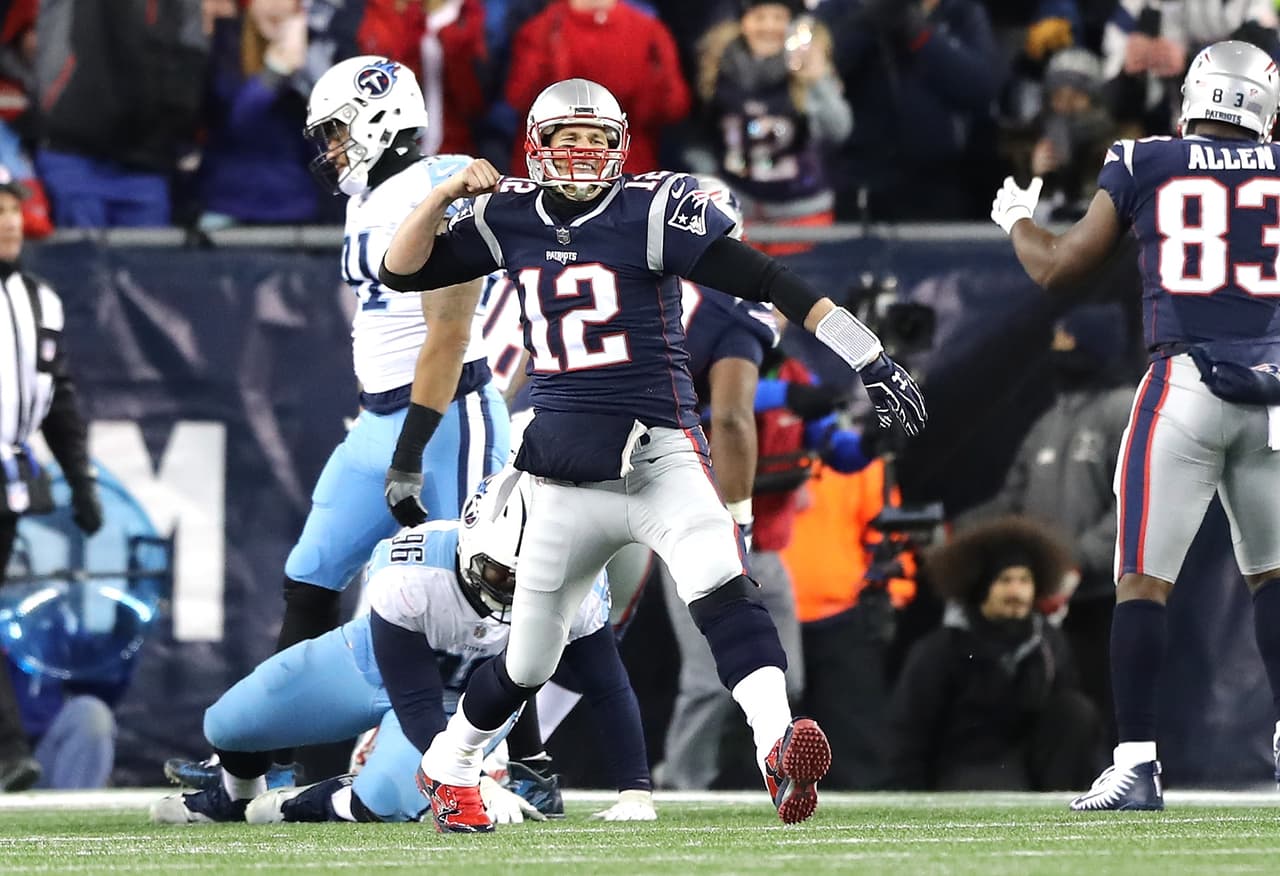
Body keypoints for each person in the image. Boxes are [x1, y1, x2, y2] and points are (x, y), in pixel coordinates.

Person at [378, 77, 926, 831]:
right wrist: (440, 199)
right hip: (561, 478)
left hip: (658, 454)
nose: (581, 154)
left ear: (621, 147)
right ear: (536, 147)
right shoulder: (508, 216)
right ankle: (449, 764)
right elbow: (400, 269)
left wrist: (867, 354)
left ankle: (777, 744)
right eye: (567, 140)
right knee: (529, 662)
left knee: (723, 585)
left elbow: (767, 278)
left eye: (597, 141)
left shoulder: (652, 211)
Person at [990, 39, 1280, 810]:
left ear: (1194, 97)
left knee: (1141, 581)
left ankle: (1139, 763)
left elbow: (1058, 268)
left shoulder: (1145, 159)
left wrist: (1019, 219)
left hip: (1183, 383)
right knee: (1274, 577)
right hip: (1274, 393)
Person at [151, 474, 654, 825]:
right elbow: (411, 698)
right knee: (227, 725)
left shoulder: (576, 588)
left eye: (531, 577)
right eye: (501, 573)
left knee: (384, 801)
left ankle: (301, 804)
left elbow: (609, 687)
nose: (512, 591)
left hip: (464, 704)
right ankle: (234, 796)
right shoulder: (414, 570)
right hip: (374, 668)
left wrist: (635, 788)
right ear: (470, 543)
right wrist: (469, 778)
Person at [274, 56, 509, 679]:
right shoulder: (370, 196)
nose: (330, 147)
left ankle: (522, 761)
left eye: (337, 129)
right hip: (380, 419)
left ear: (380, 119)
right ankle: (262, 763)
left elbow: (448, 334)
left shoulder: (445, 183)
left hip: (447, 418)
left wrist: (409, 452)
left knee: (476, 601)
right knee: (310, 577)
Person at [960, 303, 1137, 741]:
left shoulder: (1124, 409)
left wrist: (1074, 559)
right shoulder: (1050, 420)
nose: (1057, 352)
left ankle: (1119, 778)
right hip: (1047, 596)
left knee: (1101, 702)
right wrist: (957, 534)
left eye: (1067, 342)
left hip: (1103, 596)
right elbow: (1013, 500)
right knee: (1056, 706)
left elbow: (1136, 503)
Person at [0, 169, 102, 791]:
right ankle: (9, 747)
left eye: (13, 210)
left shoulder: (39, 299)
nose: (8, 220)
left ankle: (10, 750)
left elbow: (56, 400)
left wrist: (80, 482)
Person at [883, 516, 1103, 791]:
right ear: (981, 587)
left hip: (1033, 763)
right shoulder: (942, 648)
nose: (1016, 591)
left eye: (1024, 580)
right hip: (967, 766)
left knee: (1076, 710)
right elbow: (908, 732)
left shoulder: (1049, 642)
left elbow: (1069, 718)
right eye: (1005, 580)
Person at [689, 0, 852, 255]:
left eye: (778, 18)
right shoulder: (717, 64)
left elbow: (838, 130)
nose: (769, 27)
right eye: (760, 17)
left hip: (802, 214)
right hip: (737, 210)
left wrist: (818, 80)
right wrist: (710, 174)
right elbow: (699, 133)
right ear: (743, 21)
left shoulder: (809, 62)